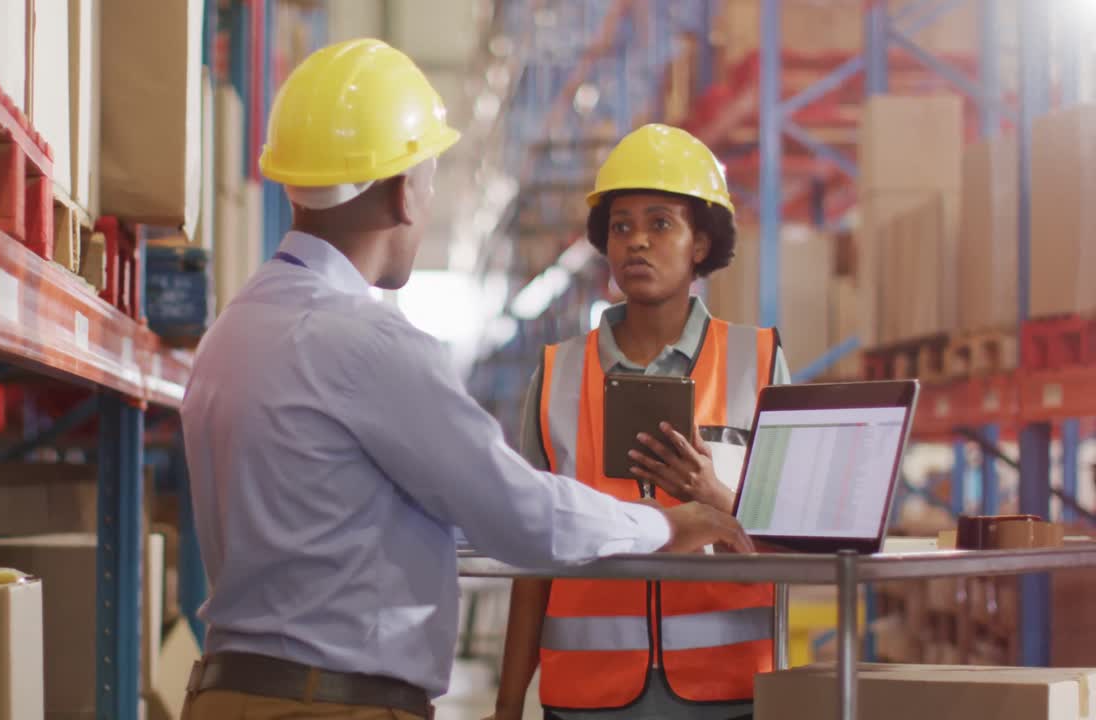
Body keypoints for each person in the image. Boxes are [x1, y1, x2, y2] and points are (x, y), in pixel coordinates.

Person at [177, 41, 754, 720]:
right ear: (403, 191)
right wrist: (662, 525)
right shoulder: (371, 345)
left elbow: (346, 516)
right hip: (330, 705)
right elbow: (521, 515)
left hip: (223, 696)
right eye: (428, 182)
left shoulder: (231, 333)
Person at [492, 124, 792, 720]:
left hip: (728, 693)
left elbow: (794, 535)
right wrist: (506, 707)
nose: (637, 242)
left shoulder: (757, 362)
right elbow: (534, 555)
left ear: (700, 243)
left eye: (661, 223)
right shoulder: (557, 375)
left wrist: (716, 496)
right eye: (621, 226)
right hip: (586, 696)